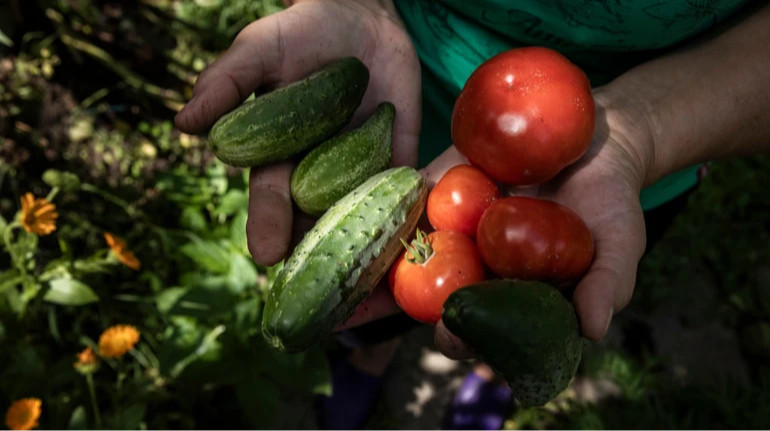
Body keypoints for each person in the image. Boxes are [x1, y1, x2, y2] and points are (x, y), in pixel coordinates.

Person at [175, 0, 770, 428]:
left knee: (516, 311)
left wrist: (646, 134)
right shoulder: (410, 183)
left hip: (617, 154)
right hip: (404, 90)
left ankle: (493, 372)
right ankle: (372, 354)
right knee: (376, 299)